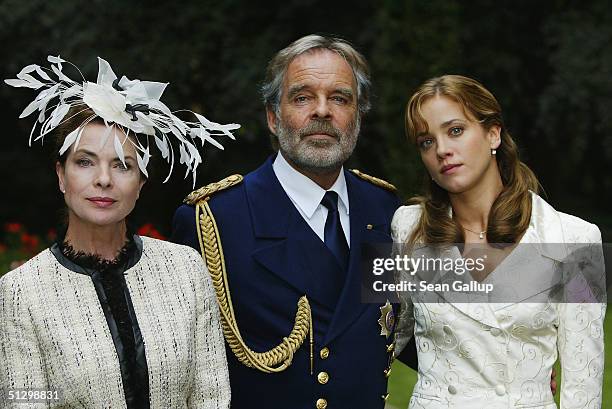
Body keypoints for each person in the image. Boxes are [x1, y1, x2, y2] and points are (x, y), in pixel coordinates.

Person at [172, 34, 417, 409]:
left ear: (358, 117)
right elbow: (180, 371)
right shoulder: (215, 221)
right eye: (302, 97)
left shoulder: (382, 209)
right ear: (273, 117)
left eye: (340, 98)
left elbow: (404, 328)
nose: (322, 111)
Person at [0, 56, 237, 408]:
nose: (103, 179)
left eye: (122, 165)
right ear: (61, 176)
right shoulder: (21, 293)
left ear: (140, 183)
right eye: (84, 161)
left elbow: (212, 398)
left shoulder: (187, 270)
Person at [391, 74, 606, 408]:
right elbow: (386, 337)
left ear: (493, 133)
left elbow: (583, 384)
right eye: (426, 142)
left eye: (455, 131)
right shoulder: (408, 229)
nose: (442, 150)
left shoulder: (575, 240)